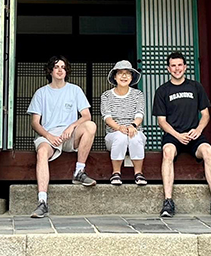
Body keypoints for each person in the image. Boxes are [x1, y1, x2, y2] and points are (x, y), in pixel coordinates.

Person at [153, 51, 211, 218]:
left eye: (180, 65)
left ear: (185, 67)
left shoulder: (196, 87)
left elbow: (205, 114)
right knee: (168, 152)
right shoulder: (162, 91)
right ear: (168, 68)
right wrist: (177, 135)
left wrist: (199, 130)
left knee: (208, 151)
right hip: (173, 135)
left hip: (194, 134)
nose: (177, 69)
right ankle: (168, 201)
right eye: (173, 66)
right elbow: (162, 121)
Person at [28, 56, 98, 218]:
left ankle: (79, 172)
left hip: (69, 136)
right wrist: (48, 136)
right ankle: (42, 201)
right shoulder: (41, 93)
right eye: (56, 67)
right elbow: (35, 123)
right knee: (42, 152)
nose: (60, 70)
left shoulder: (74, 90)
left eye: (63, 67)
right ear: (50, 70)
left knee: (91, 126)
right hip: (49, 136)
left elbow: (86, 115)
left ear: (67, 71)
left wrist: (71, 126)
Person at [101, 60, 147, 186]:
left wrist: (132, 126)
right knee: (120, 137)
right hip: (114, 133)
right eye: (120, 73)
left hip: (134, 129)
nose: (124, 76)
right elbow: (107, 117)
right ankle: (116, 173)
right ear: (115, 77)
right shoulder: (106, 96)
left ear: (132, 78)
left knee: (135, 137)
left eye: (128, 73)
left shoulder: (138, 94)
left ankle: (138, 173)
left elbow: (139, 114)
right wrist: (119, 127)